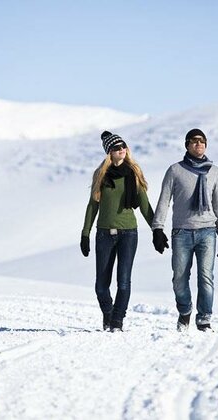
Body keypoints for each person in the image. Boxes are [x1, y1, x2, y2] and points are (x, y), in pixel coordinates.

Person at [151, 128, 218, 332]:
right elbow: (164, 200)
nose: (199, 144)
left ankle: (204, 319)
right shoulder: (175, 170)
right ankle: (185, 310)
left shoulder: (215, 172)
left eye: (202, 141)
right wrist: (157, 228)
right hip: (181, 232)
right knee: (179, 277)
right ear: (187, 144)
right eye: (194, 141)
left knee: (206, 276)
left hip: (207, 232)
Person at [80, 131, 154, 332]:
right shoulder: (101, 175)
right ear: (109, 153)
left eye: (123, 147)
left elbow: (145, 205)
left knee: (123, 282)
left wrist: (157, 229)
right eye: (116, 148)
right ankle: (108, 312)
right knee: (101, 286)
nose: (121, 150)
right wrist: (85, 233)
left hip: (129, 233)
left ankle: (117, 321)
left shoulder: (133, 173)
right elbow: (92, 205)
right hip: (104, 233)